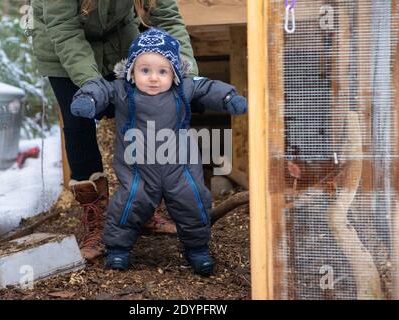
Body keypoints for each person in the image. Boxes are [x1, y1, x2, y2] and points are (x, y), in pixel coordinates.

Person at [70, 28, 247, 276]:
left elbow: (207, 87)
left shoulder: (183, 88)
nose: (153, 78)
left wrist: (229, 98)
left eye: (162, 71)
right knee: (129, 202)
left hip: (180, 167)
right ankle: (118, 250)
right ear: (131, 70)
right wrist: (87, 99)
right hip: (138, 169)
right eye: (145, 70)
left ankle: (197, 250)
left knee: (193, 200)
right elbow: (100, 88)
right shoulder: (122, 90)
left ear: (174, 72)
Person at [31, 0, 199, 260]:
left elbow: (167, 18)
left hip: (118, 39)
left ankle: (141, 209)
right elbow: (64, 29)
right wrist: (91, 85)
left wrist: (188, 75)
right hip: (63, 47)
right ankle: (97, 222)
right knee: (79, 124)